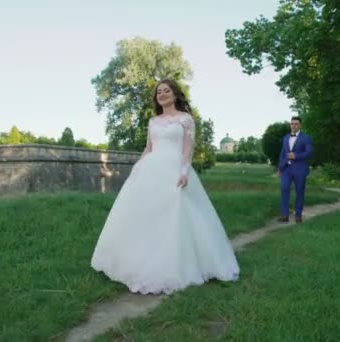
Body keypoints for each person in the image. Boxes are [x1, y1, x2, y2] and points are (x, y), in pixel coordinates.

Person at [91, 79, 240, 295]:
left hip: (174, 171)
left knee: (175, 215)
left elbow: (188, 149)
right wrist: (137, 168)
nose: (162, 94)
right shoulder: (153, 121)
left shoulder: (186, 119)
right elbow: (148, 149)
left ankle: (180, 264)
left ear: (175, 94)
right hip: (151, 171)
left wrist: (184, 172)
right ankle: (137, 261)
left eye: (166, 90)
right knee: (144, 216)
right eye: (158, 91)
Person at [277, 116, 313, 223]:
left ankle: (298, 215)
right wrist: (280, 168)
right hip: (286, 169)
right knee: (284, 189)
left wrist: (295, 156)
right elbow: (283, 154)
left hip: (300, 169)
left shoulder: (306, 137)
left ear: (300, 125)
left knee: (300, 192)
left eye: (296, 124)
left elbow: (309, 152)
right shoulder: (286, 138)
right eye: (292, 123)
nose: (293, 125)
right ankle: (284, 215)